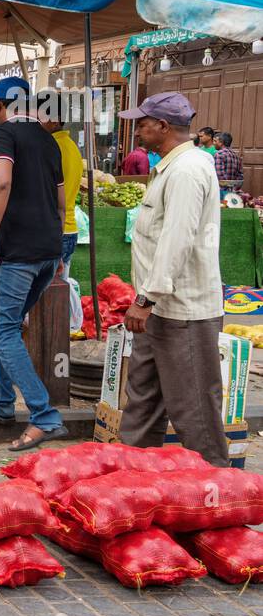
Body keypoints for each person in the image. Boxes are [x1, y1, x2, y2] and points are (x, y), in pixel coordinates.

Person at [117, 93, 227, 466]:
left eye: (143, 123)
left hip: (182, 311)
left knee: (193, 407)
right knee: (143, 399)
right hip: (160, 309)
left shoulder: (187, 170)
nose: (137, 131)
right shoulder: (171, 166)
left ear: (163, 127)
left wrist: (146, 299)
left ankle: (216, 489)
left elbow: (176, 241)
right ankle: (133, 480)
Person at [0, 76, 67, 451]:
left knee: (2, 329)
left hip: (18, 253)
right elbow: (61, 203)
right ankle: (0, 401)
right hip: (47, 250)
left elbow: (0, 184)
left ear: (0, 105)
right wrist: (56, 248)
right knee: (7, 326)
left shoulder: (4, 134)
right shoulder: (49, 140)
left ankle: (44, 415)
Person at [37, 89, 84, 277]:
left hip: (54, 232)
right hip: (68, 230)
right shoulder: (71, 146)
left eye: (39, 117)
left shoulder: (50, 148)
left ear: (55, 120)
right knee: (60, 294)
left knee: (48, 299)